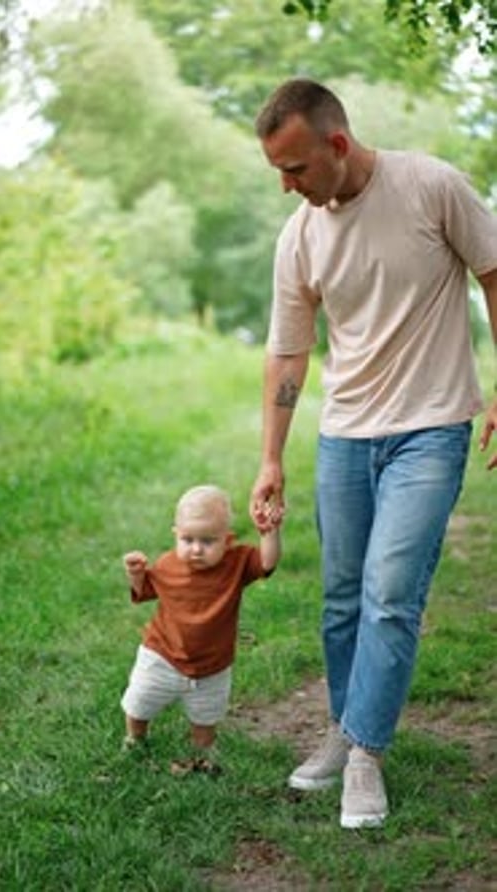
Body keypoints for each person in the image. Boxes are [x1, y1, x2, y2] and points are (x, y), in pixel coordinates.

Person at [249, 78, 497, 829]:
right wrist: (270, 459)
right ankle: (345, 726)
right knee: (341, 599)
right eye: (278, 173)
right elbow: (289, 354)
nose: (288, 186)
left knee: (390, 593)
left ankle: (365, 757)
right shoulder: (301, 234)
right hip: (345, 434)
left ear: (337, 144)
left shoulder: (430, 186)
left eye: (295, 169)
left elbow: (493, 275)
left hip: (432, 425)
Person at [121, 484, 281, 770]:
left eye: (208, 541)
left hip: (213, 663)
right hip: (162, 654)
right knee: (140, 701)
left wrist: (269, 533)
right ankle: (135, 737)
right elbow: (144, 590)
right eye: (187, 539)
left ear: (227, 540)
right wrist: (135, 574)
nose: (196, 549)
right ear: (176, 535)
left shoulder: (237, 563)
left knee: (206, 714)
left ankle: (203, 753)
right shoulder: (168, 565)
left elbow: (268, 562)